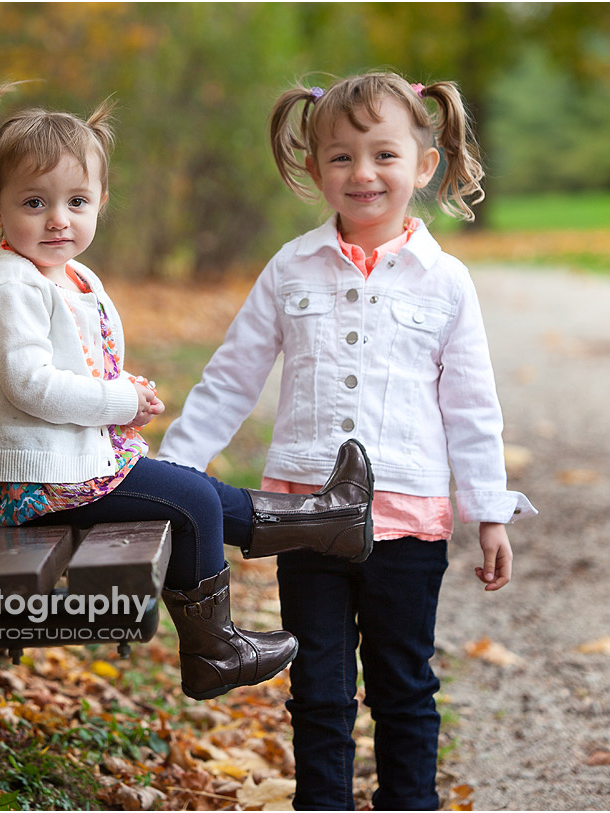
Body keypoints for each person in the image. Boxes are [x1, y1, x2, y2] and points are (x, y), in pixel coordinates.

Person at [157, 72, 537, 807]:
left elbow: (471, 406)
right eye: (341, 157)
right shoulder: (290, 269)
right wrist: (175, 470)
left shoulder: (446, 282)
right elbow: (233, 376)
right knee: (320, 687)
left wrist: (489, 509)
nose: (362, 174)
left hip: (408, 523)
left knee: (404, 683)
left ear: (423, 165)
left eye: (383, 155)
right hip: (304, 522)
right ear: (314, 168)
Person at [0, 82, 377, 702]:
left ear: (100, 202)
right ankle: (213, 649)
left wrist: (120, 388)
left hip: (67, 465)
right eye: (34, 203)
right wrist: (118, 402)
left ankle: (326, 519)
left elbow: (79, 363)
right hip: (36, 485)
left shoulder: (69, 275)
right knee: (190, 504)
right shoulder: (10, 289)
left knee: (195, 489)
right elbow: (31, 386)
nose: (58, 219)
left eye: (76, 201)